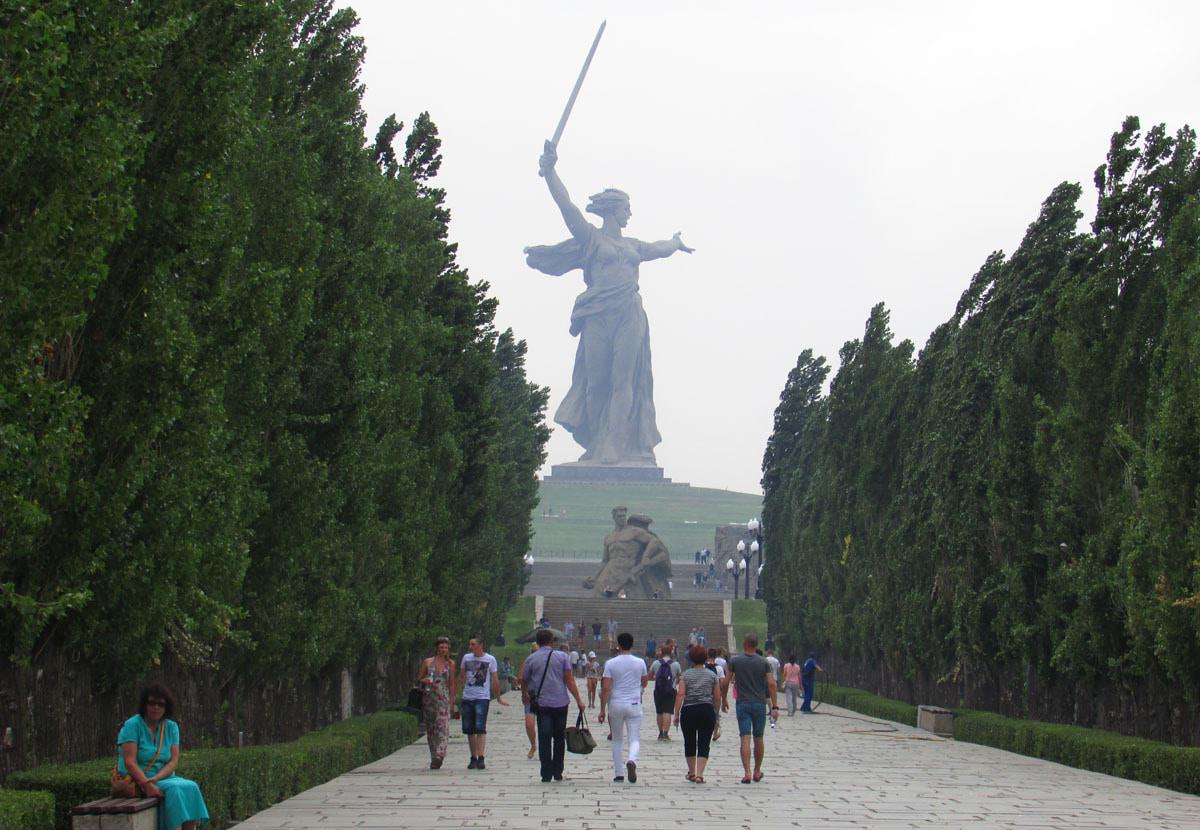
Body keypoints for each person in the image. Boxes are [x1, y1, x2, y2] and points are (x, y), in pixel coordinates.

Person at [524, 141, 693, 466]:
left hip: (629, 314)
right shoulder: (591, 238)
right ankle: (596, 443)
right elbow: (567, 207)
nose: (630, 213)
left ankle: (614, 446)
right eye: (626, 208)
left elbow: (660, 248)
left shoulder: (633, 246)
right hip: (598, 315)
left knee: (624, 381)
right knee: (596, 382)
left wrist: (675, 242)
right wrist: (550, 171)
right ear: (613, 210)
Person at [116, 684, 209, 830]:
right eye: (151, 703)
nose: (156, 707)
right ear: (144, 704)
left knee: (192, 787)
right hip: (137, 780)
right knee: (175, 790)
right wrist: (147, 784)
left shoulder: (171, 727)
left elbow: (173, 761)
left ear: (166, 707)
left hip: (163, 777)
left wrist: (157, 778)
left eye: (161, 704)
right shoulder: (132, 725)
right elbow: (130, 762)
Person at [522, 628, 585, 783]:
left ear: (537, 642)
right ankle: (558, 771)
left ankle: (546, 772)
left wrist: (525, 693)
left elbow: (524, 679)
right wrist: (578, 699)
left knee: (544, 737)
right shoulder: (562, 657)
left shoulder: (531, 659)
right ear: (552, 641)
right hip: (560, 702)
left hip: (542, 703)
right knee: (559, 737)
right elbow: (569, 680)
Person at [722, 633, 778, 784]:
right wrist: (774, 706)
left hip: (743, 703)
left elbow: (725, 682)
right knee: (758, 738)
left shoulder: (735, 661)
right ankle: (757, 771)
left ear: (745, 643)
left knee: (745, 737)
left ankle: (747, 772)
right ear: (756, 645)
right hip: (759, 704)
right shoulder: (764, 662)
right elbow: (772, 684)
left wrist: (723, 699)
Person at [598, 632, 648, 783]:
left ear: (618, 645)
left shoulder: (611, 663)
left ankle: (619, 773)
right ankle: (632, 760)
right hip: (634, 703)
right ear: (632, 645)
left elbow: (605, 688)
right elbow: (644, 682)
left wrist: (602, 709)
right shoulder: (640, 662)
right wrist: (638, 688)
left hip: (616, 703)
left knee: (617, 740)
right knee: (634, 738)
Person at [454, 637, 508, 770]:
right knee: (469, 729)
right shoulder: (466, 658)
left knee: (480, 727)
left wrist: (498, 697)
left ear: (480, 645)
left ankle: (481, 757)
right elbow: (461, 677)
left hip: (482, 697)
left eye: (473, 644)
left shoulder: (490, 659)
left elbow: (495, 679)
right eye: (470, 644)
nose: (470, 646)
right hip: (468, 697)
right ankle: (473, 757)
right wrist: (454, 694)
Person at [674, 644, 721, 784]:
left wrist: (676, 713)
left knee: (689, 741)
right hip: (707, 709)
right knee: (704, 742)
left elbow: (681, 694)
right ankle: (700, 774)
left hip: (689, 710)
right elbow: (717, 697)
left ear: (691, 658)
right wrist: (716, 713)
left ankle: (692, 773)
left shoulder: (686, 675)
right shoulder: (712, 675)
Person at [417, 636, 457, 769]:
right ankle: (434, 756)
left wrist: (452, 700)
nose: (443, 650)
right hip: (429, 698)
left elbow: (451, 684)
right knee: (431, 728)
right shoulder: (428, 662)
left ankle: (440, 753)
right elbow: (419, 678)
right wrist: (424, 680)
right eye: (441, 647)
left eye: (446, 647)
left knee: (443, 726)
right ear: (436, 648)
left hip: (443, 699)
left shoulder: (450, 664)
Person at [647, 644, 681, 741]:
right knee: (668, 711)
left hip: (658, 690)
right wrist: (674, 682)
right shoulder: (676, 664)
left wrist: (657, 679)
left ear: (661, 653)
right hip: (671, 690)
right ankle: (666, 733)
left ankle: (660, 733)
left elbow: (649, 676)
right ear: (671, 653)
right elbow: (679, 677)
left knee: (659, 712)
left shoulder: (655, 663)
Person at [518, 643, 540, 759]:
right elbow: (520, 678)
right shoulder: (528, 661)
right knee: (529, 723)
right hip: (530, 694)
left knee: (545, 724)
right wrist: (523, 692)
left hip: (545, 695)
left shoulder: (547, 660)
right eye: (533, 652)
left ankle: (544, 747)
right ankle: (533, 745)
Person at [765, 649, 781, 727]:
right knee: (773, 695)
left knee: (767, 696)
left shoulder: (765, 659)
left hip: (767, 679)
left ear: (768, 653)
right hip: (774, 678)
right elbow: (778, 670)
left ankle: (770, 709)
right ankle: (773, 709)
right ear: (773, 653)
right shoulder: (776, 660)